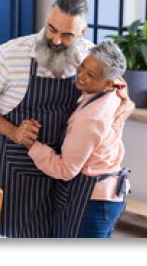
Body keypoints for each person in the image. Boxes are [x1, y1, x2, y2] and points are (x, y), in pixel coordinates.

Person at [0, 0, 94, 238]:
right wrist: (13, 131)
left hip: (63, 169)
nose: (56, 40)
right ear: (46, 19)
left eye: (67, 35)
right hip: (15, 167)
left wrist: (124, 107)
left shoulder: (89, 58)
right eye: (52, 29)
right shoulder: (10, 55)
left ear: (82, 32)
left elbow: (118, 91)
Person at [26, 40, 135, 238]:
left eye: (91, 75)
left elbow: (66, 170)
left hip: (93, 202)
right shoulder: (113, 91)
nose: (81, 75)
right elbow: (120, 81)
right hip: (109, 196)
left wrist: (31, 145)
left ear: (108, 83)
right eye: (83, 66)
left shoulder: (91, 118)